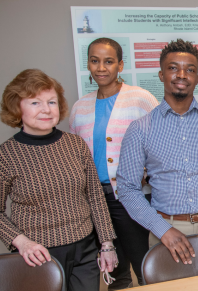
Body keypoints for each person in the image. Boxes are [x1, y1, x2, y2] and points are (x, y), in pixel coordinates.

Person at [0, 69, 117, 291]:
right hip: (37, 257)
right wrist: (21, 242)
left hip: (85, 251)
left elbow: (95, 197)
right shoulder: (3, 156)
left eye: (52, 102)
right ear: (17, 107)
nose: (46, 110)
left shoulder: (76, 145)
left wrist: (107, 244)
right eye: (35, 103)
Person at [116, 39, 198, 267]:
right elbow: (127, 189)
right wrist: (162, 230)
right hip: (165, 231)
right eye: (173, 67)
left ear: (197, 78)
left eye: (190, 70)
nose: (182, 74)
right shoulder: (140, 129)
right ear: (161, 74)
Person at [69, 38, 159, 289]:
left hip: (132, 197)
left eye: (109, 61)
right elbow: (75, 155)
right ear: (88, 64)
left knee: (145, 266)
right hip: (95, 201)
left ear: (120, 65)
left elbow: (161, 143)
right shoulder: (79, 108)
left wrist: (146, 171)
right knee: (114, 268)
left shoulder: (140, 99)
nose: (101, 68)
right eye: (95, 61)